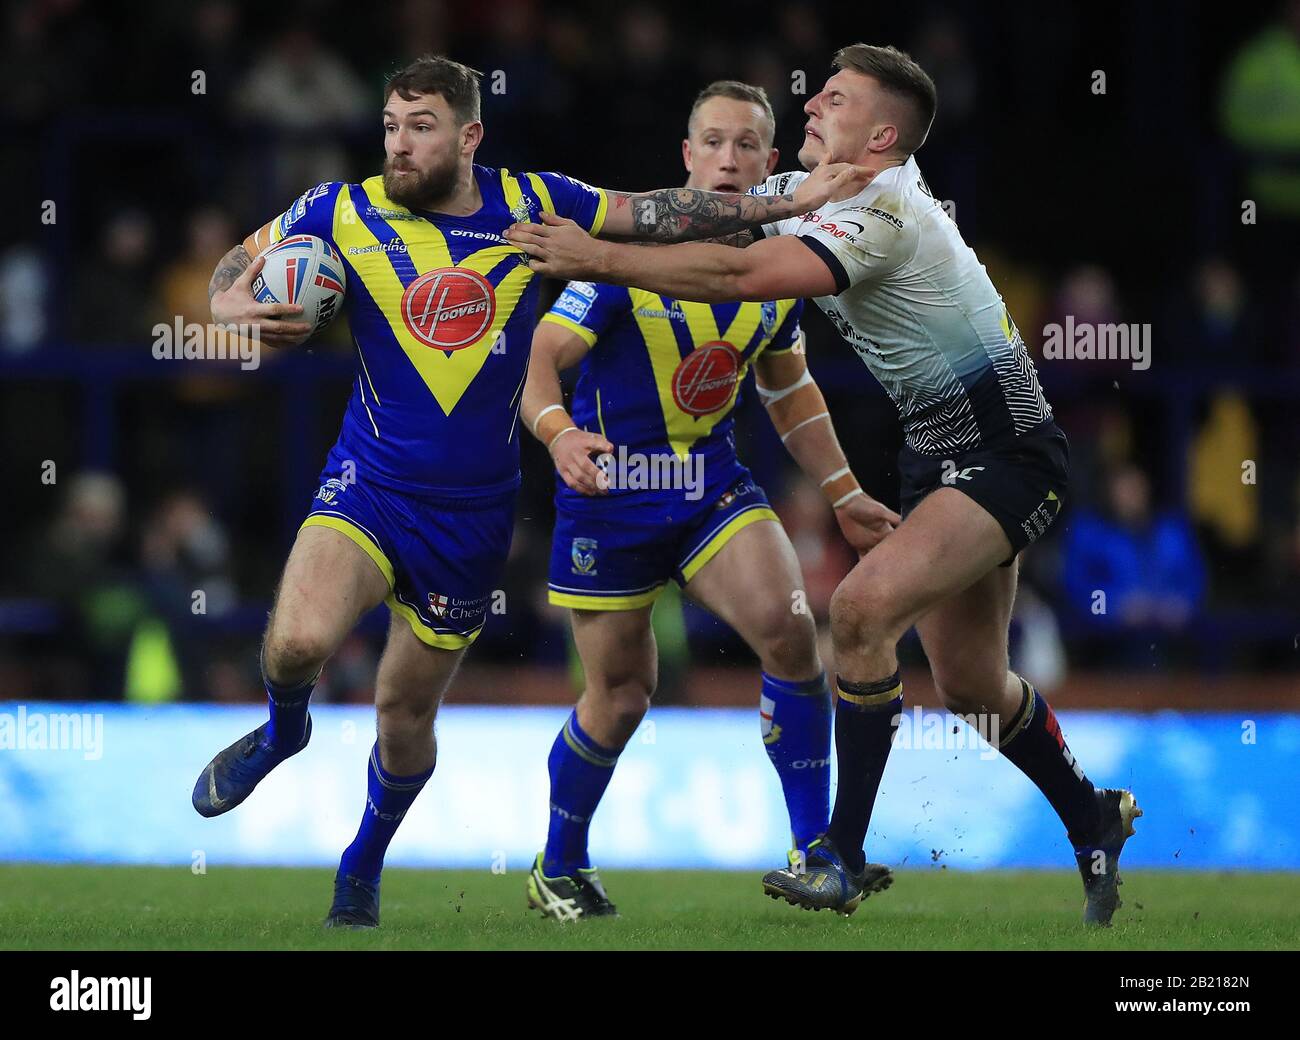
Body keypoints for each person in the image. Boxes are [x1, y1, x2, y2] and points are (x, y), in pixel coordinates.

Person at [193, 54, 870, 929]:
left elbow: (656, 212)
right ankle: (285, 729)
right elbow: (224, 280)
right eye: (392, 127)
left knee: (403, 717)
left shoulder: (533, 205)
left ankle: (362, 864)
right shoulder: (336, 208)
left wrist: (786, 203)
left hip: (473, 515)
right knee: (295, 644)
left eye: (422, 127)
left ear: (470, 134)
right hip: (368, 484)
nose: (400, 144)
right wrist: (240, 313)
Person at [505, 43, 1141, 926]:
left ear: (879, 135)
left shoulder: (881, 211)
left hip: (1006, 450)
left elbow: (738, 273)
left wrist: (599, 256)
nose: (811, 108)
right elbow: (696, 219)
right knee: (969, 686)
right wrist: (604, 225)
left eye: (831, 100)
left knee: (855, 612)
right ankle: (1093, 815)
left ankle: (837, 853)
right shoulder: (815, 199)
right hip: (936, 458)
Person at [520, 81, 900, 920]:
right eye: (713, 143)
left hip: (706, 486)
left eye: (747, 146)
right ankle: (559, 863)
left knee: (794, 631)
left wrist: (842, 493)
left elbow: (789, 390)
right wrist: (559, 437)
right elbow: (539, 362)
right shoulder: (626, 262)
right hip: (612, 495)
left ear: (770, 164)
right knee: (621, 697)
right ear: (687, 159)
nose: (729, 158)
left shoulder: (777, 268)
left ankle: (815, 850)